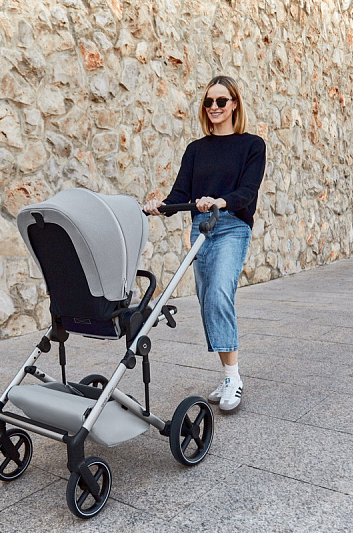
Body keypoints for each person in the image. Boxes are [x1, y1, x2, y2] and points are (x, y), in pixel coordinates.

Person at [143, 75, 266, 412]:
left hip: (231, 226)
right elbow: (180, 194)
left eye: (221, 101)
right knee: (207, 300)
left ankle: (233, 378)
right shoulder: (196, 150)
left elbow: (247, 192)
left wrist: (219, 201)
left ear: (234, 104)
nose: (214, 107)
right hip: (201, 229)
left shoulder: (252, 145)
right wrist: (160, 206)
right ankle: (227, 375)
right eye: (209, 102)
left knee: (218, 293)